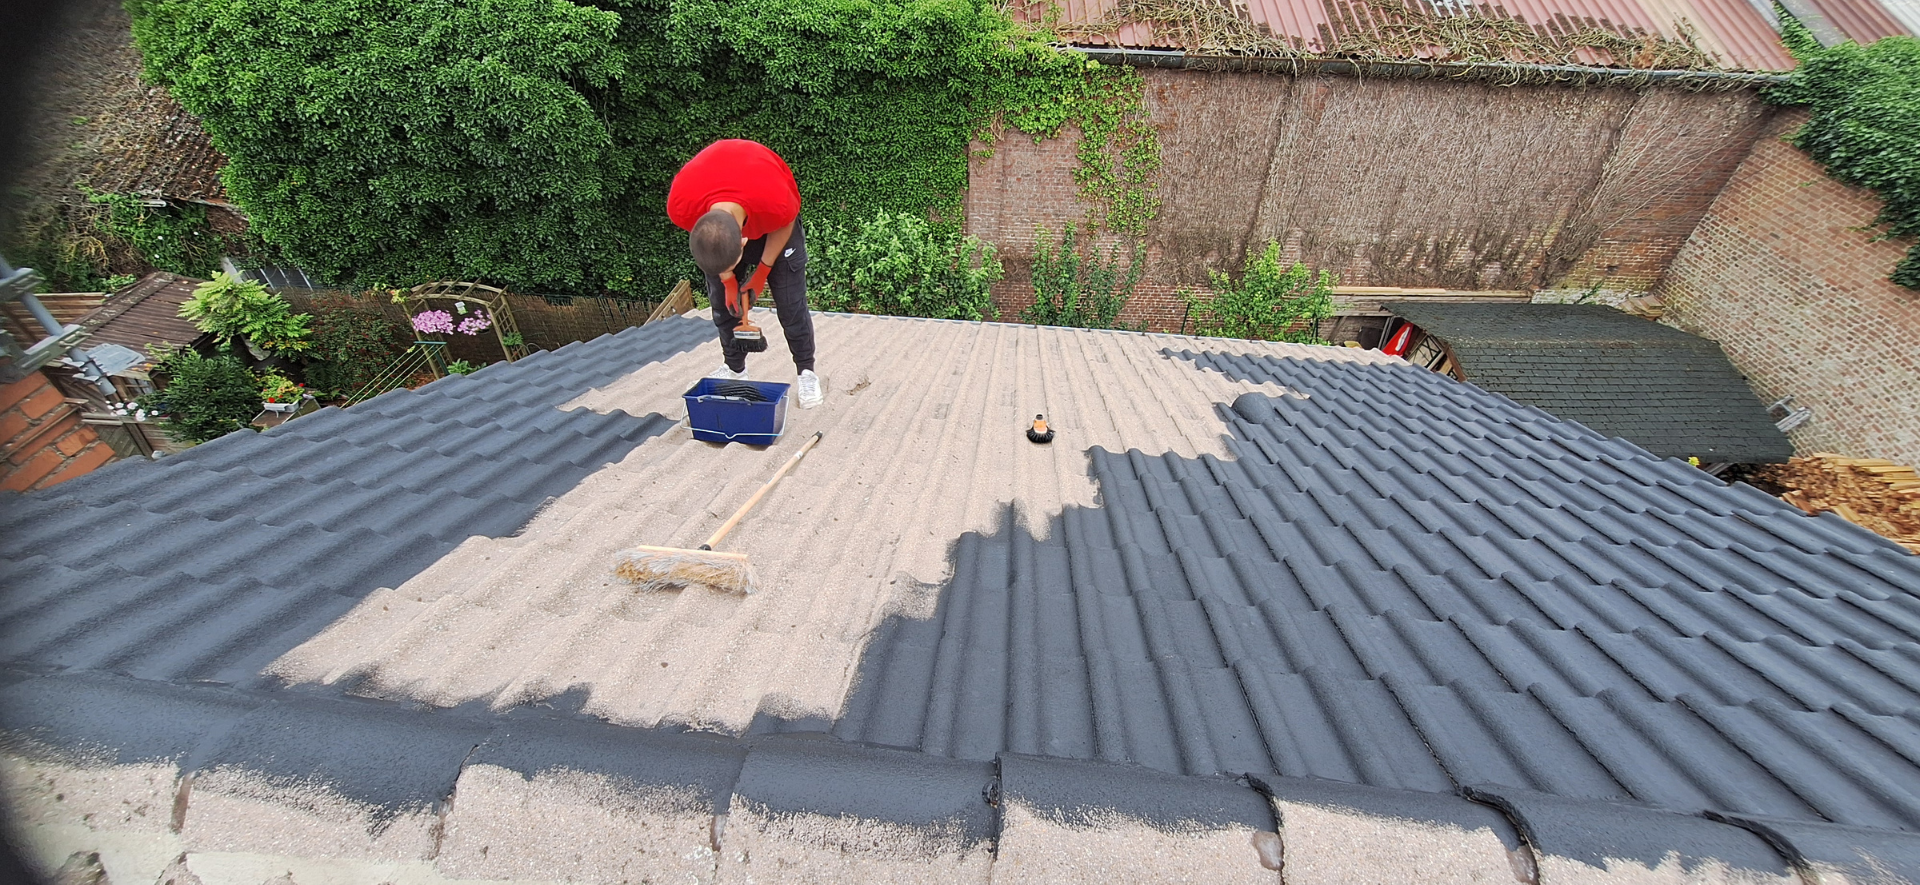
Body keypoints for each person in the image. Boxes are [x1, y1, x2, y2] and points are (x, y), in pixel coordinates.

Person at [667, 138, 822, 409]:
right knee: (720, 302)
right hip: (725, 218)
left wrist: (762, 272)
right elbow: (710, 252)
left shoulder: (773, 202)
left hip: (775, 223)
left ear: (743, 242)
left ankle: (806, 372)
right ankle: (735, 369)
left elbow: (783, 224)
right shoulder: (681, 206)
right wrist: (726, 280)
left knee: (790, 303)